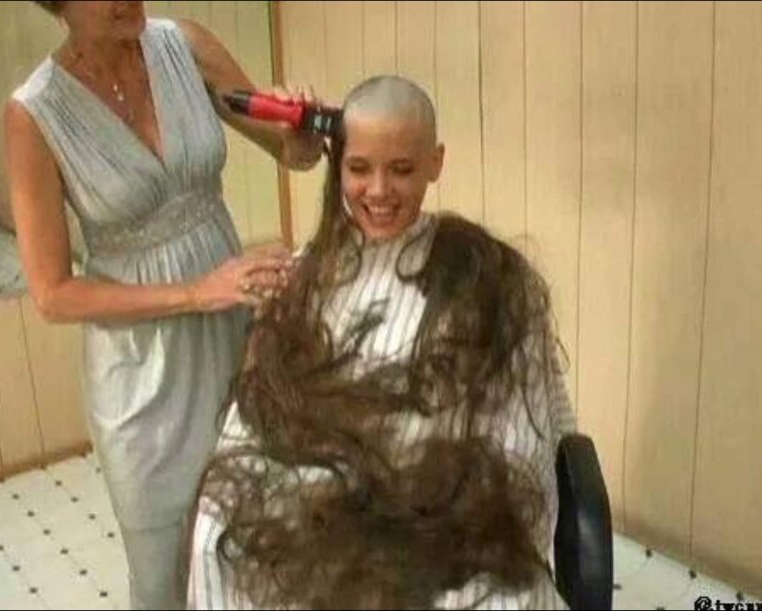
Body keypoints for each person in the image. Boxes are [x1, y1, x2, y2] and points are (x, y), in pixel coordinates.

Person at [188, 75, 578, 610]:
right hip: (325, 497)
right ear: (338, 164)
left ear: (435, 163)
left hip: (446, 514)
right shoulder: (306, 274)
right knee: (222, 538)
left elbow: (517, 441)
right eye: (359, 168)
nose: (378, 191)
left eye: (401, 170)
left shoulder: (489, 279)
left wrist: (424, 488)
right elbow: (254, 426)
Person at [4, 1, 324, 608]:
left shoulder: (188, 46)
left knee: (257, 538)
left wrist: (301, 131)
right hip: (141, 378)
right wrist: (198, 292)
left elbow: (292, 155)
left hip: (237, 338)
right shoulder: (34, 115)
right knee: (165, 572)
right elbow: (52, 295)